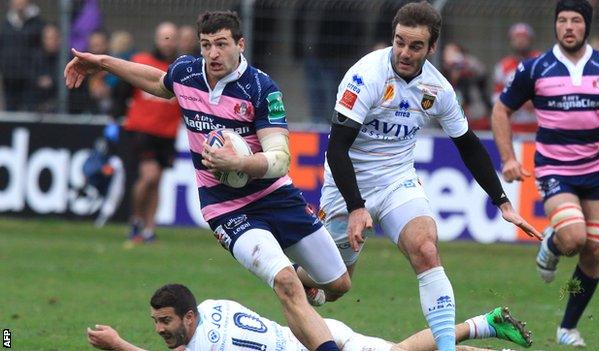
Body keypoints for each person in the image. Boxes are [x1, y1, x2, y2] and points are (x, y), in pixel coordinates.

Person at [65, 11, 351, 351]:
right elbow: (158, 83)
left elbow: (280, 159)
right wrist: (102, 61)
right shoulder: (187, 73)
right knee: (285, 283)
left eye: (221, 44)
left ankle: (308, 282)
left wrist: (239, 162)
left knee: (338, 284)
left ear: (240, 45)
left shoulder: (261, 88)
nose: (213, 54)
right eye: (206, 45)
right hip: (226, 208)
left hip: (276, 196)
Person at [316, 3, 542, 351]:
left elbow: (468, 145)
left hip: (397, 181)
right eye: (400, 42)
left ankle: (447, 349)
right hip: (348, 184)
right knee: (336, 286)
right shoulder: (365, 76)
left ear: (431, 48)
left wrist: (502, 201)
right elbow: (337, 149)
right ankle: (301, 275)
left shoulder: (438, 89)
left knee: (426, 249)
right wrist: (356, 206)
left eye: (415, 46)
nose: (405, 53)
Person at [490, 0, 599, 347]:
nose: (568, 26)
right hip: (554, 169)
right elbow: (501, 110)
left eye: (575, 20)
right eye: (562, 20)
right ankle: (551, 242)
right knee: (574, 239)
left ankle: (567, 328)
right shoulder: (535, 68)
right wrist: (507, 158)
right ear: (555, 25)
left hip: (596, 169)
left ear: (586, 26)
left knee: (594, 249)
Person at [86, 283, 532, 351]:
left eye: (165, 322)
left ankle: (486, 324)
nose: (161, 330)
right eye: (155, 323)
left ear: (188, 316)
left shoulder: (202, 344)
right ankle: (487, 323)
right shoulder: (215, 306)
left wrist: (119, 344)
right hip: (317, 334)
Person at [106, 22, 180, 243]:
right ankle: (136, 220)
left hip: (167, 133)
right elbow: (121, 91)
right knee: (149, 176)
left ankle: (149, 229)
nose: (168, 42)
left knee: (157, 181)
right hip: (142, 131)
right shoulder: (141, 62)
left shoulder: (180, 69)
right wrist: (115, 116)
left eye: (172, 37)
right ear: (156, 39)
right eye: (164, 37)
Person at [491, 23, 540, 133]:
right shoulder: (502, 66)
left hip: (540, 126)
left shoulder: (541, 61)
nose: (520, 41)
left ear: (531, 40)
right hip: (513, 127)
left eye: (524, 37)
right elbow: (495, 97)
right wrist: (518, 101)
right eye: (516, 38)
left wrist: (534, 100)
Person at [0, 0, 45, 111]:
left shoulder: (38, 24)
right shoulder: (5, 25)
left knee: (30, 112)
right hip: (9, 78)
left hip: (31, 79)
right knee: (11, 114)